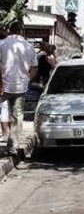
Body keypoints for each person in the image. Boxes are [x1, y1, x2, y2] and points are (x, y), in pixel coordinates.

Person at [0, 22, 38, 156]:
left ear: (10, 30)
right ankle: (12, 146)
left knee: (3, 113)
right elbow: (34, 67)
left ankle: (6, 138)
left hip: (2, 86)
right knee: (18, 116)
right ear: (22, 31)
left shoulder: (2, 44)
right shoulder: (28, 46)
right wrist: (28, 79)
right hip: (20, 87)